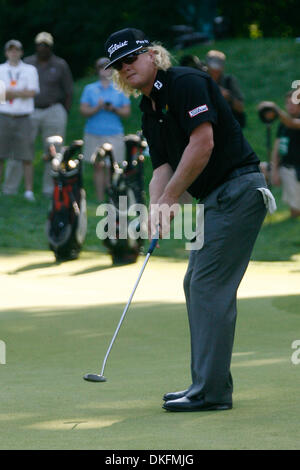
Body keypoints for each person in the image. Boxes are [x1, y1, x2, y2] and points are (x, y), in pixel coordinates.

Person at [103, 27, 276, 412]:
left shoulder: (187, 82)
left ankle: (211, 392)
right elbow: (163, 167)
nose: (126, 68)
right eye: (119, 65)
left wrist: (168, 199)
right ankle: (205, 384)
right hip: (215, 199)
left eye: (131, 58)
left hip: (239, 190)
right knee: (195, 282)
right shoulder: (149, 109)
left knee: (207, 285)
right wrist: (157, 208)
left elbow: (203, 143)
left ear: (152, 54)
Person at [3, 32, 73, 197]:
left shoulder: (60, 64)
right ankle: (10, 189)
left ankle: (50, 188)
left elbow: (69, 91)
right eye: (40, 45)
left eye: (46, 45)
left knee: (54, 150)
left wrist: (64, 111)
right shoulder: (27, 63)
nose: (43, 48)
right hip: (29, 111)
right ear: (36, 46)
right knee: (20, 149)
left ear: (50, 47)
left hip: (53, 109)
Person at [80, 57, 131, 201]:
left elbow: (126, 112)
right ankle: (99, 198)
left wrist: (113, 108)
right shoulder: (89, 88)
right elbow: (83, 111)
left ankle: (111, 197)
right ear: (97, 70)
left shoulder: (120, 87)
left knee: (112, 167)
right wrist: (97, 107)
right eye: (102, 67)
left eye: (108, 67)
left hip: (114, 132)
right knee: (98, 166)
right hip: (94, 132)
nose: (105, 70)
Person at [0, 40, 39, 201]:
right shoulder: (1, 69)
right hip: (4, 116)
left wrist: (10, 92)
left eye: (16, 50)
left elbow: (32, 92)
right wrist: (20, 92)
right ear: (6, 53)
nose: (13, 53)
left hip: (24, 117)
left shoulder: (29, 70)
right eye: (11, 50)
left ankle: (28, 191)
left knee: (27, 155)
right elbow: (2, 96)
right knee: (1, 155)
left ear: (21, 52)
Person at [266, 92, 300, 218]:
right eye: (287, 103)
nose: (289, 106)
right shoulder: (283, 125)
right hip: (284, 167)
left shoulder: (290, 122)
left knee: (296, 212)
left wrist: (275, 109)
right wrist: (274, 170)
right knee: (261, 169)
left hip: (297, 170)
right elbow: (276, 148)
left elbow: (292, 123)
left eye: (293, 103)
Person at [205, 50, 246, 128]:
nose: (215, 71)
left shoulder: (229, 81)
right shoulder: (202, 81)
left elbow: (240, 108)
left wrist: (228, 97)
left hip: (227, 125)